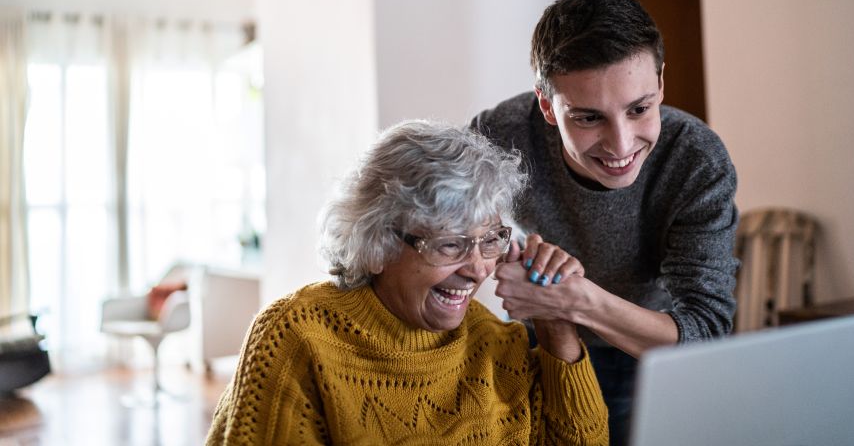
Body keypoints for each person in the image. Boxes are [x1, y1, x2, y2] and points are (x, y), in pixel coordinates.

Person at [206, 120, 610, 445]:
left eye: (490, 241)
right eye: (450, 245)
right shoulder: (297, 337)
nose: (478, 269)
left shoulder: (495, 343)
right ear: (377, 244)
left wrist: (556, 322)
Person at [473, 0, 740, 446]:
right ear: (547, 105)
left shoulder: (696, 160)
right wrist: (503, 252)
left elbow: (707, 335)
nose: (621, 146)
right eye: (588, 118)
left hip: (650, 348)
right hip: (541, 339)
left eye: (639, 109)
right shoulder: (503, 133)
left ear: (661, 84)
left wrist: (575, 300)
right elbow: (442, 218)